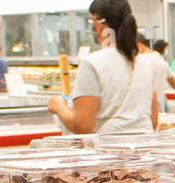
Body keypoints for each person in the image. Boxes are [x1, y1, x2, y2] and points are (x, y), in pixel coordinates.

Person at [49, 0, 158, 135]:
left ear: (99, 23)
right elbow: (153, 121)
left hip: (108, 150)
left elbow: (83, 125)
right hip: (144, 148)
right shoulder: (146, 63)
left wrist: (58, 106)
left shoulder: (92, 63)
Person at [142, 36, 175, 115]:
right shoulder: (162, 63)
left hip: (144, 104)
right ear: (163, 49)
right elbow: (172, 81)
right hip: (158, 103)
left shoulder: (143, 59)